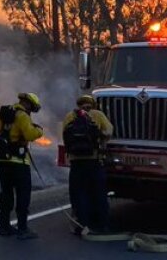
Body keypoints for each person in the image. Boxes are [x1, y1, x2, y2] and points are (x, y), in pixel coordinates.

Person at [0, 92, 45, 239]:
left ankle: (5, 227)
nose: (31, 111)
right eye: (32, 108)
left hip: (3, 161)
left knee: (6, 193)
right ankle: (23, 229)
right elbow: (29, 135)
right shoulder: (22, 116)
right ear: (28, 104)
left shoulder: (3, 113)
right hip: (19, 162)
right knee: (23, 194)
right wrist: (39, 130)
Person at [63, 94, 113, 236]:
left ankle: (81, 225)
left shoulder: (70, 116)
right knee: (99, 194)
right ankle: (102, 225)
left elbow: (64, 135)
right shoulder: (97, 115)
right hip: (94, 161)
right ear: (92, 104)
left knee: (79, 194)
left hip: (76, 162)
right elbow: (109, 130)